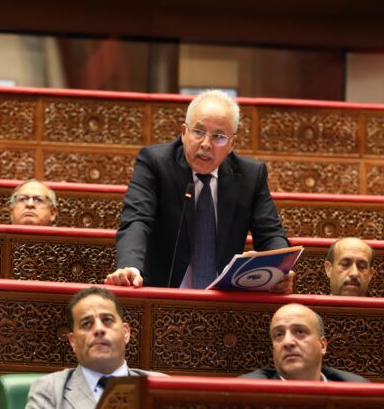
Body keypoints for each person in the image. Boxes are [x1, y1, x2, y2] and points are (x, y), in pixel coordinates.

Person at [106, 90, 291, 290]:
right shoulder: (155, 163)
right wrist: (131, 267)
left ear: (232, 144)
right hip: (163, 293)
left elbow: (270, 234)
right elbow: (137, 220)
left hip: (225, 297)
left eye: (218, 137)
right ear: (184, 133)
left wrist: (280, 268)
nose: (205, 144)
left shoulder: (250, 176)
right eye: (198, 132)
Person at [26, 287, 164, 408]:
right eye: (86, 324)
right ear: (73, 341)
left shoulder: (160, 386)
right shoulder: (49, 390)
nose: (98, 329)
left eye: (107, 320)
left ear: (126, 333)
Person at [240, 303, 368, 382]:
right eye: (279, 334)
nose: (287, 342)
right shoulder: (249, 392)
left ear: (322, 345)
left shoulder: (355, 391)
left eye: (300, 332)